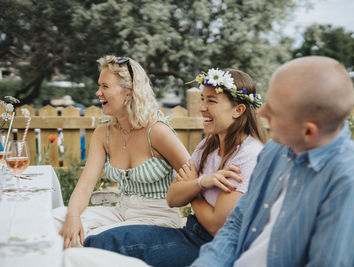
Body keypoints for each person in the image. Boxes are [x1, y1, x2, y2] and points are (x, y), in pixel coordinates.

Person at [191, 56, 354, 267]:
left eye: (275, 109)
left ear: (308, 130)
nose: (261, 112)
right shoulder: (276, 150)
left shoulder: (352, 183)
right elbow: (237, 223)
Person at [81, 68, 267, 266]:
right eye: (203, 99)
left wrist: (193, 187)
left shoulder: (247, 155)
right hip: (190, 231)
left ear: (238, 110)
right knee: (100, 240)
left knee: (109, 246)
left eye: (211, 101)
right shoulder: (208, 145)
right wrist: (201, 182)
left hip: (213, 246)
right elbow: (173, 198)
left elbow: (215, 226)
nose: (202, 107)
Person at [53, 55, 190, 249]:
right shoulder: (104, 133)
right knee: (55, 220)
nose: (98, 92)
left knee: (91, 239)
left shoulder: (157, 131)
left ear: (128, 92)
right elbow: (85, 186)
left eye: (105, 86)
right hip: (121, 211)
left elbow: (193, 176)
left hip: (158, 219)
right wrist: (73, 217)